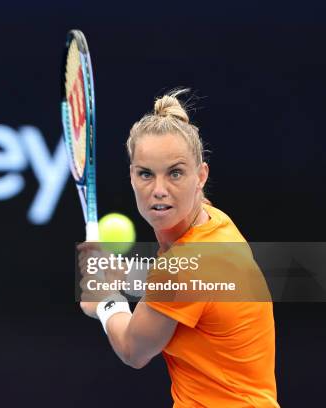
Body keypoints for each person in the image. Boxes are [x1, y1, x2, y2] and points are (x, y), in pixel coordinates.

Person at [77, 90, 278, 407]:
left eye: (175, 173)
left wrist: (105, 301)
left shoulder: (186, 264)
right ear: (131, 177)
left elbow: (133, 349)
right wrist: (126, 274)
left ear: (200, 176)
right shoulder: (214, 221)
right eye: (146, 174)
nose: (159, 190)